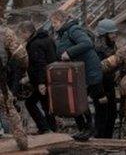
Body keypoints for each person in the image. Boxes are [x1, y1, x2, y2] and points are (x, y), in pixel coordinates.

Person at [50, 10, 102, 141]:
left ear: (62, 21)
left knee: (80, 99)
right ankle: (83, 129)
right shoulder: (63, 33)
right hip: (78, 72)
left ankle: (88, 128)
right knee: (76, 99)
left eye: (55, 22)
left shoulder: (73, 30)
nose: (53, 25)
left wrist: (69, 53)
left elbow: (87, 43)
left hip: (88, 71)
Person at [19, 21, 57, 135]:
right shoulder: (48, 39)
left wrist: (41, 83)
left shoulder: (34, 44)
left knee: (30, 103)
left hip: (41, 80)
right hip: (50, 77)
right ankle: (51, 128)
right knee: (46, 105)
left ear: (27, 32)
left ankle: (45, 128)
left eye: (21, 34)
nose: (21, 36)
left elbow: (40, 64)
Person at [0, 25, 27, 150]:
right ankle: (21, 141)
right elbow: (21, 54)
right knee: (9, 108)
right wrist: (23, 69)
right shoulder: (5, 32)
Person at [92, 19, 119, 138]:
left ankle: (108, 139)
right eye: (112, 33)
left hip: (110, 83)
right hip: (100, 86)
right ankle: (100, 140)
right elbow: (95, 72)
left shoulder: (112, 45)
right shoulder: (97, 50)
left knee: (112, 113)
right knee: (102, 114)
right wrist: (100, 92)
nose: (114, 35)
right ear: (104, 35)